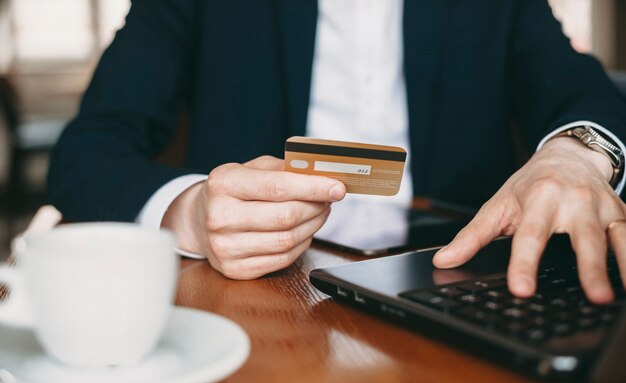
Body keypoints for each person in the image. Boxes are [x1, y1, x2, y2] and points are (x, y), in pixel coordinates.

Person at [48, 0, 626, 304]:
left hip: (455, 289)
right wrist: (190, 213)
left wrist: (576, 155)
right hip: (257, 298)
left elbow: (585, 94)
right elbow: (87, 150)